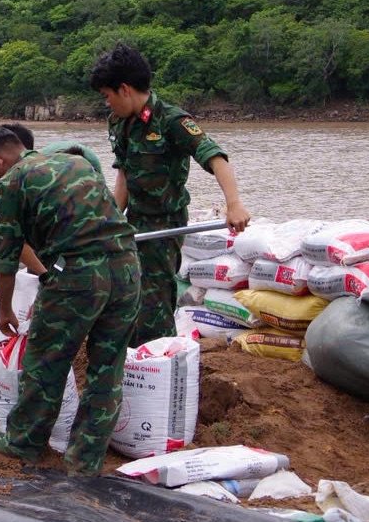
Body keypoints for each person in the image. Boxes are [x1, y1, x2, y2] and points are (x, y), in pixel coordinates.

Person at [0, 127, 141, 475]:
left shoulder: (10, 183)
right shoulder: (76, 163)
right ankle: (86, 458)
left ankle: (25, 443)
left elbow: (4, 260)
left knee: (46, 360)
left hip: (78, 275)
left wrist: (5, 310)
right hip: (127, 268)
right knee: (107, 368)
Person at [90, 43, 250, 346]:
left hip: (165, 226)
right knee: (123, 293)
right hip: (132, 221)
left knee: (155, 302)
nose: (107, 103)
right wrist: (110, 219)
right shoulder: (118, 122)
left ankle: (160, 362)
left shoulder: (171, 121)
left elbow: (216, 158)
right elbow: (123, 173)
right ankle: (134, 357)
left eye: (107, 96)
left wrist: (234, 204)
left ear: (124, 89)